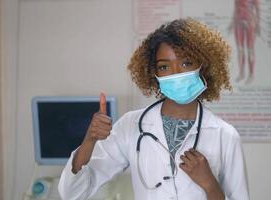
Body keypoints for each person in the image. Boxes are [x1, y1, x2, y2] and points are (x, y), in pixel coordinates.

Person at [58, 18, 249, 200]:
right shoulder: (131, 126)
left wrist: (209, 184)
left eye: (186, 63)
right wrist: (90, 140)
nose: (175, 73)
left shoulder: (225, 135)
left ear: (204, 66)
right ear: (154, 73)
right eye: (164, 67)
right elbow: (73, 194)